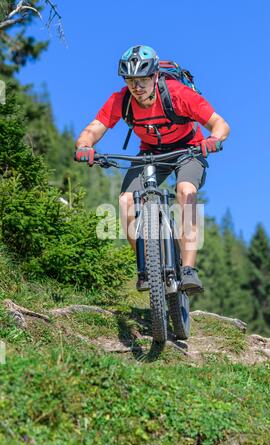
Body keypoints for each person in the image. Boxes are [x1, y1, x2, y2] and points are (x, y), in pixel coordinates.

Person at [75, 45, 230, 292]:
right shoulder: (122, 100)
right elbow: (95, 127)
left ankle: (189, 269)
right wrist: (85, 145)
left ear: (155, 76)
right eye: (131, 80)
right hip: (151, 153)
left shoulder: (178, 94)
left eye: (143, 80)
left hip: (187, 149)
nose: (137, 87)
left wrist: (213, 140)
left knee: (185, 191)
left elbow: (220, 124)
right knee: (127, 200)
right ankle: (146, 267)